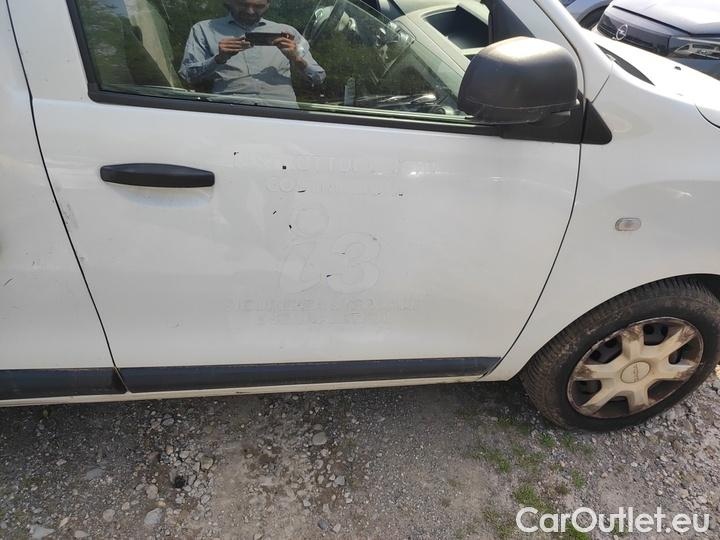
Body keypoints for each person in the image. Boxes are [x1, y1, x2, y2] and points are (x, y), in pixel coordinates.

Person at [179, 0, 326, 105]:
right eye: (243, 4)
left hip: (281, 113)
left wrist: (297, 59)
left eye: (258, 6)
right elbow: (187, 76)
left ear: (268, 4)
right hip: (227, 110)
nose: (250, 11)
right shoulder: (204, 29)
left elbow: (318, 77)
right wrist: (218, 59)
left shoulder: (288, 32)